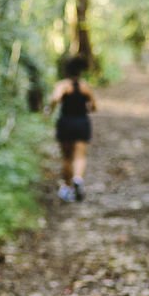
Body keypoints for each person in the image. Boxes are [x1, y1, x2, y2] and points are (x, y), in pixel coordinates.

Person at [50, 54, 96, 202]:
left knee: (67, 157)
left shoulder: (62, 85)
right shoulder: (85, 86)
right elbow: (93, 107)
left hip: (66, 122)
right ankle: (78, 179)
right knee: (80, 155)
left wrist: (49, 109)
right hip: (81, 122)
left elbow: (55, 99)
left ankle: (67, 187)